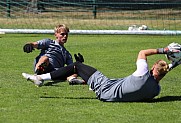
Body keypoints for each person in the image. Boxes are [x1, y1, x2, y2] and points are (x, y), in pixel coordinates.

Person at [22, 44, 181, 102]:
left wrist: (163, 50)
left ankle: (39, 78)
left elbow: (142, 52)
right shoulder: (155, 91)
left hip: (105, 87)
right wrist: (174, 64)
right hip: (110, 97)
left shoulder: (142, 72)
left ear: (152, 68)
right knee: (84, 72)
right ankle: (78, 80)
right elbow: (160, 74)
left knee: (77, 65)